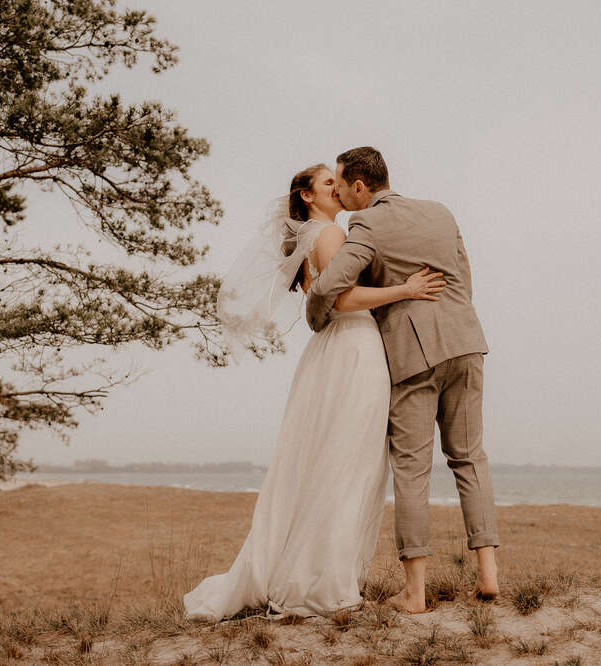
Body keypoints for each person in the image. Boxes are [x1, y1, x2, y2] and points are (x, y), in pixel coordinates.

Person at [182, 163, 446, 621]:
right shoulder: (330, 235)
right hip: (354, 347)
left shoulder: (310, 237)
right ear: (308, 196)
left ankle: (309, 571)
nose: (337, 189)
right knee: (348, 463)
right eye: (328, 183)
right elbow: (343, 299)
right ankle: (322, 581)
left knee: (326, 460)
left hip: (330, 352)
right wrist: (405, 289)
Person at [306, 147, 500, 614]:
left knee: (412, 470)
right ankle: (488, 574)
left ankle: (415, 593)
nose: (339, 193)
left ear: (359, 186)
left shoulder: (367, 224)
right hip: (466, 342)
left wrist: (315, 316)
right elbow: (464, 277)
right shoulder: (440, 212)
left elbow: (332, 284)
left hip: (415, 357)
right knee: (470, 457)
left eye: (341, 184)